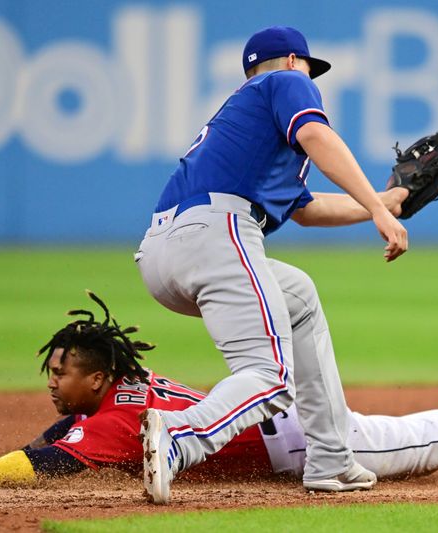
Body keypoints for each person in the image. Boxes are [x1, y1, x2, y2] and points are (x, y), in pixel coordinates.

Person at [0, 294, 438, 488]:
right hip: (287, 428)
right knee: (434, 434)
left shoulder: (119, 419)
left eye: (63, 370)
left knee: (436, 436)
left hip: (307, 441)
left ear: (98, 376)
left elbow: (45, 461)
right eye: (53, 369)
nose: (53, 380)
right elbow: (56, 441)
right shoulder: (123, 392)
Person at [134, 25, 410, 504]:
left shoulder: (249, 125)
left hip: (164, 251)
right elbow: (318, 136)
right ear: (288, 62)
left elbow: (305, 209)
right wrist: (378, 207)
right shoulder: (285, 83)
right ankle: (178, 438)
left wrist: (385, 203)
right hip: (217, 233)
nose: (310, 78)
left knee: (298, 295)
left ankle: (331, 458)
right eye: (307, 67)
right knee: (268, 376)